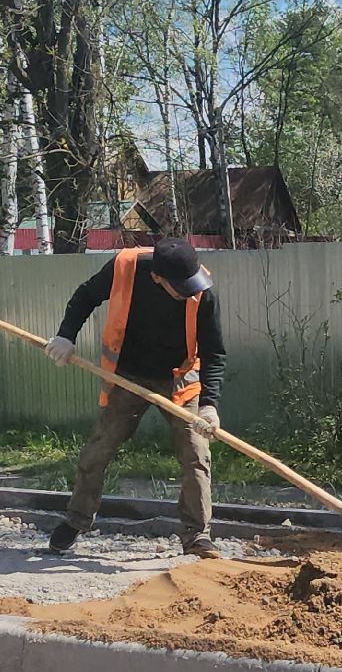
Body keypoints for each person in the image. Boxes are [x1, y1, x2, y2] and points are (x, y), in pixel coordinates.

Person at [45, 237, 225, 558]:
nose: (190, 290)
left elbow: (214, 352)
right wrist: (65, 335)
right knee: (100, 446)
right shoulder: (124, 267)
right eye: (180, 286)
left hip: (179, 378)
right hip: (127, 375)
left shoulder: (201, 290)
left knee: (196, 453)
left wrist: (210, 405)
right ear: (157, 278)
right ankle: (77, 518)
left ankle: (197, 536)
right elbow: (86, 296)